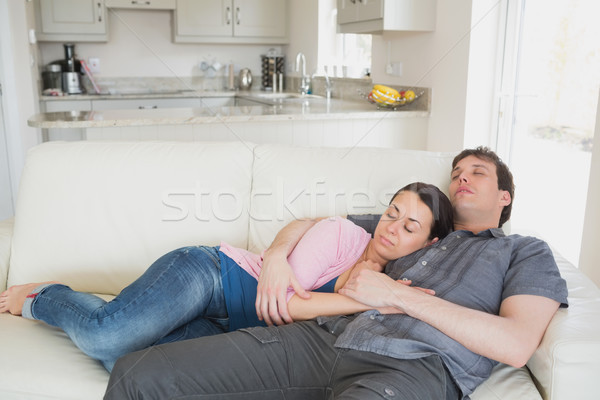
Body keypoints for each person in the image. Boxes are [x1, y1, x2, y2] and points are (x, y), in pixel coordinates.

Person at [105, 146, 568, 400]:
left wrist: (399, 295)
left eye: (478, 172)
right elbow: (310, 222)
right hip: (321, 337)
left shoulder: (525, 252)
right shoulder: (417, 225)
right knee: (134, 374)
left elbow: (515, 344)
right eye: (457, 171)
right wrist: (278, 257)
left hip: (416, 369)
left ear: (504, 197)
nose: (462, 177)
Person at [0, 182, 453, 372]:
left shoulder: (394, 280)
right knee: (108, 338)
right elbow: (286, 304)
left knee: (130, 366)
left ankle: (113, 312)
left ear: (429, 244)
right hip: (212, 275)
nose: (392, 227)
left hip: (230, 327)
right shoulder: (342, 235)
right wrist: (373, 299)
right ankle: (43, 296)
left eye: (410, 226)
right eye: (392, 212)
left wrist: (390, 295)